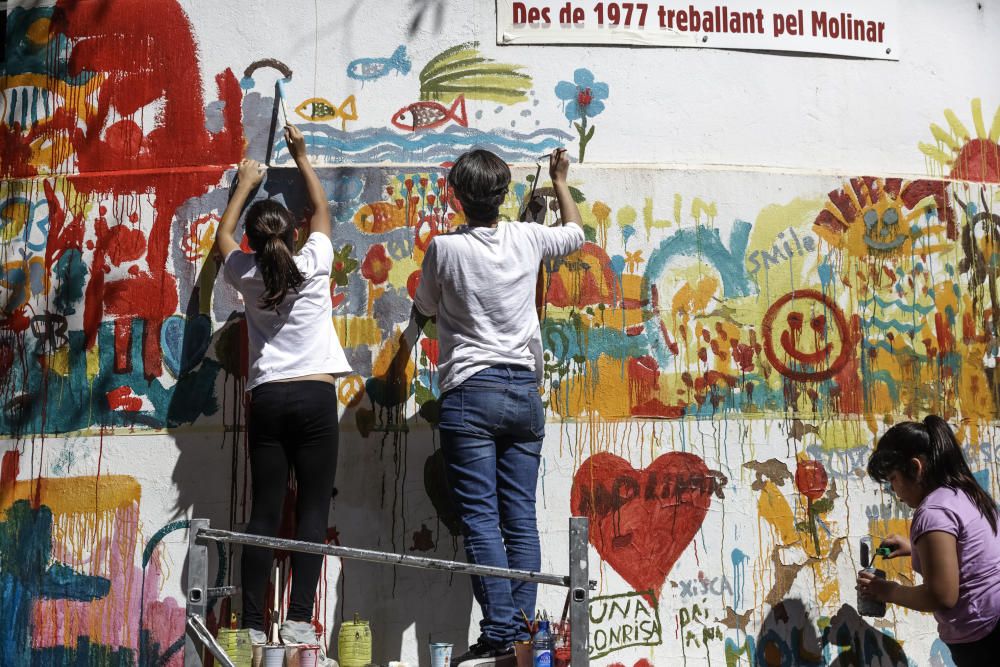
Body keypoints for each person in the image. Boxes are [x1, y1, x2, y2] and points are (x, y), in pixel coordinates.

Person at [399, 148, 584, 665]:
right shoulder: (528, 237)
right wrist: (561, 181)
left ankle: (503, 631)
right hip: (524, 393)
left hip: (470, 393)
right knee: (519, 516)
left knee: (481, 518)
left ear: (457, 196)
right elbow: (575, 233)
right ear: (503, 195)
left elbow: (426, 311)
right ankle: (521, 634)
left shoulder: (444, 250)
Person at [216, 124, 350, 662]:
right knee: (312, 509)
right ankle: (297, 625)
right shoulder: (313, 264)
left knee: (264, 511)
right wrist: (301, 157)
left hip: (268, 398)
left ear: (256, 241)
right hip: (316, 398)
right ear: (291, 234)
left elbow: (222, 238)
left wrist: (244, 184)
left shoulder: (247, 273)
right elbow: (322, 211)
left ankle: (251, 626)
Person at [858, 415, 1000, 665]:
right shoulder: (965, 494)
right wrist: (914, 550)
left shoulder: (932, 512)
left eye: (893, 479)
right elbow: (969, 558)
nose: (894, 492)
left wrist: (887, 591)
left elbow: (941, 595)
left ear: (915, 468)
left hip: (982, 639)